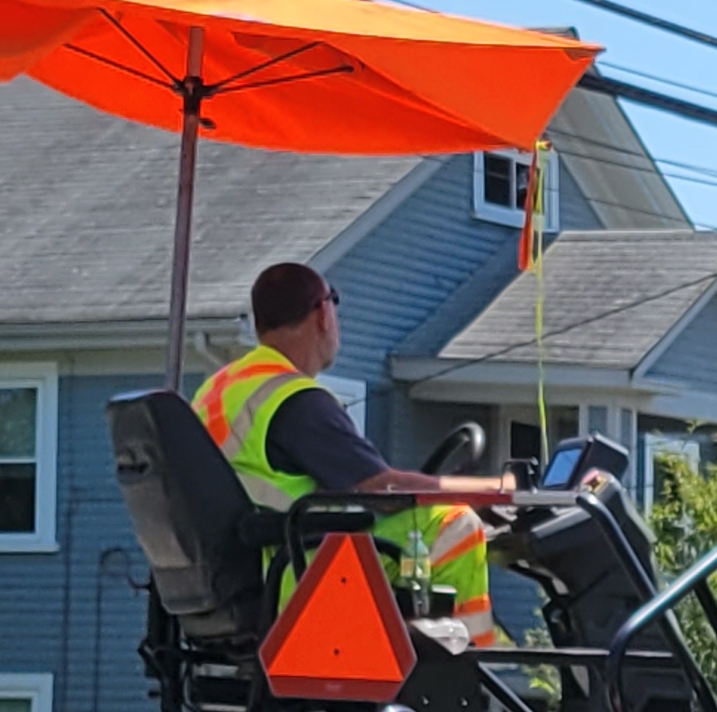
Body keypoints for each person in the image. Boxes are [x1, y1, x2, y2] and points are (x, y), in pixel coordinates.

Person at [195, 259, 518, 645]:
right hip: (301, 573)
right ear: (322, 313)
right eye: (335, 302)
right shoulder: (292, 399)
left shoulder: (218, 391)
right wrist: (493, 491)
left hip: (246, 577)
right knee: (456, 524)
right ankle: (470, 671)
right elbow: (381, 489)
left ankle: (414, 654)